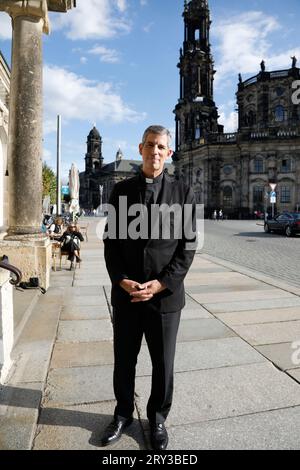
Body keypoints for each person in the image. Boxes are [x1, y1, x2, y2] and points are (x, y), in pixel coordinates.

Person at [102, 125, 196, 450]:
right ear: (140, 148)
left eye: (161, 148)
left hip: (165, 298)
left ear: (168, 154)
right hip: (127, 294)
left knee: (163, 364)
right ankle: (123, 413)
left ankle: (157, 418)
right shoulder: (120, 191)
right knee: (124, 360)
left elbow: (188, 247)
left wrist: (161, 284)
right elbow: (111, 244)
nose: (155, 152)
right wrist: (121, 279)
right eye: (150, 146)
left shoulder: (183, 192)